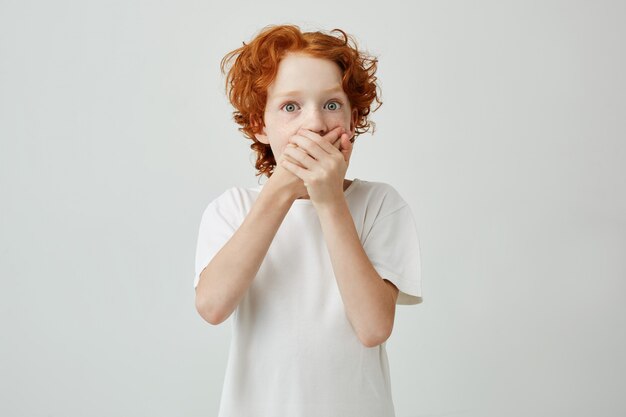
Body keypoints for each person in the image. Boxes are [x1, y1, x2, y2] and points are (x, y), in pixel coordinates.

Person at [194, 24, 422, 417]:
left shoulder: (380, 204)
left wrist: (330, 200)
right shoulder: (231, 208)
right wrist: (282, 190)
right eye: (290, 107)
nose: (315, 123)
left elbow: (373, 328)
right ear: (259, 126)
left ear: (354, 119)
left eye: (331, 105)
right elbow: (212, 306)